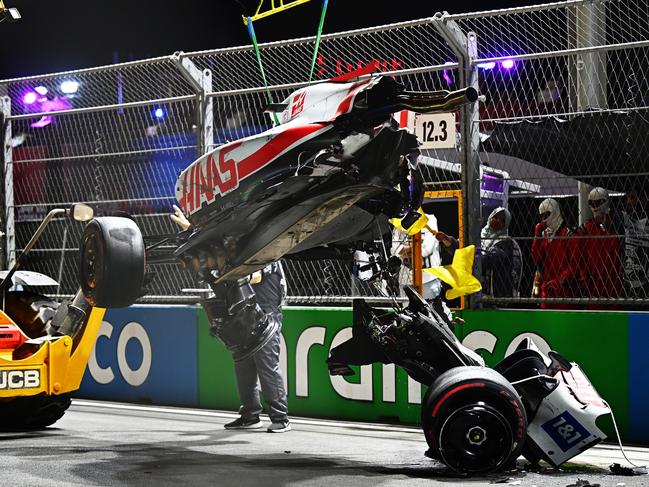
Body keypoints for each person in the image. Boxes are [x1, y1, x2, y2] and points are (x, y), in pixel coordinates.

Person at [170, 205, 290, 433]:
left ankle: (280, 417)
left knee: (267, 367)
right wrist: (190, 230)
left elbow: (254, 277)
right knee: (242, 366)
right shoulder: (246, 252)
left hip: (265, 316)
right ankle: (250, 414)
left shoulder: (271, 252)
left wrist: (227, 273)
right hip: (243, 315)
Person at [578, 187, 624, 306]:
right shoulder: (586, 228)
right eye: (592, 203)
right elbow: (579, 258)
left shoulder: (618, 226)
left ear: (605, 202)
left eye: (598, 203)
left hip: (614, 284)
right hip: (593, 287)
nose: (595, 207)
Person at [530, 198, 580, 309]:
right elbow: (536, 259)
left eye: (546, 215)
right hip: (547, 291)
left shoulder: (569, 234)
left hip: (566, 292)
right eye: (541, 216)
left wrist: (558, 281)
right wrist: (537, 236)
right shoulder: (545, 235)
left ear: (555, 211)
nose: (544, 220)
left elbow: (575, 265)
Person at [480, 207, 522, 298]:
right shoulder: (479, 235)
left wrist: (476, 256)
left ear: (505, 225)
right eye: (495, 217)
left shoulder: (506, 241)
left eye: (502, 220)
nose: (498, 221)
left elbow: (492, 258)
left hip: (497, 294)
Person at [621, 186, 649, 300]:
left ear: (642, 199)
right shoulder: (623, 218)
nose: (628, 201)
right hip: (628, 277)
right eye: (627, 198)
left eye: (632, 198)